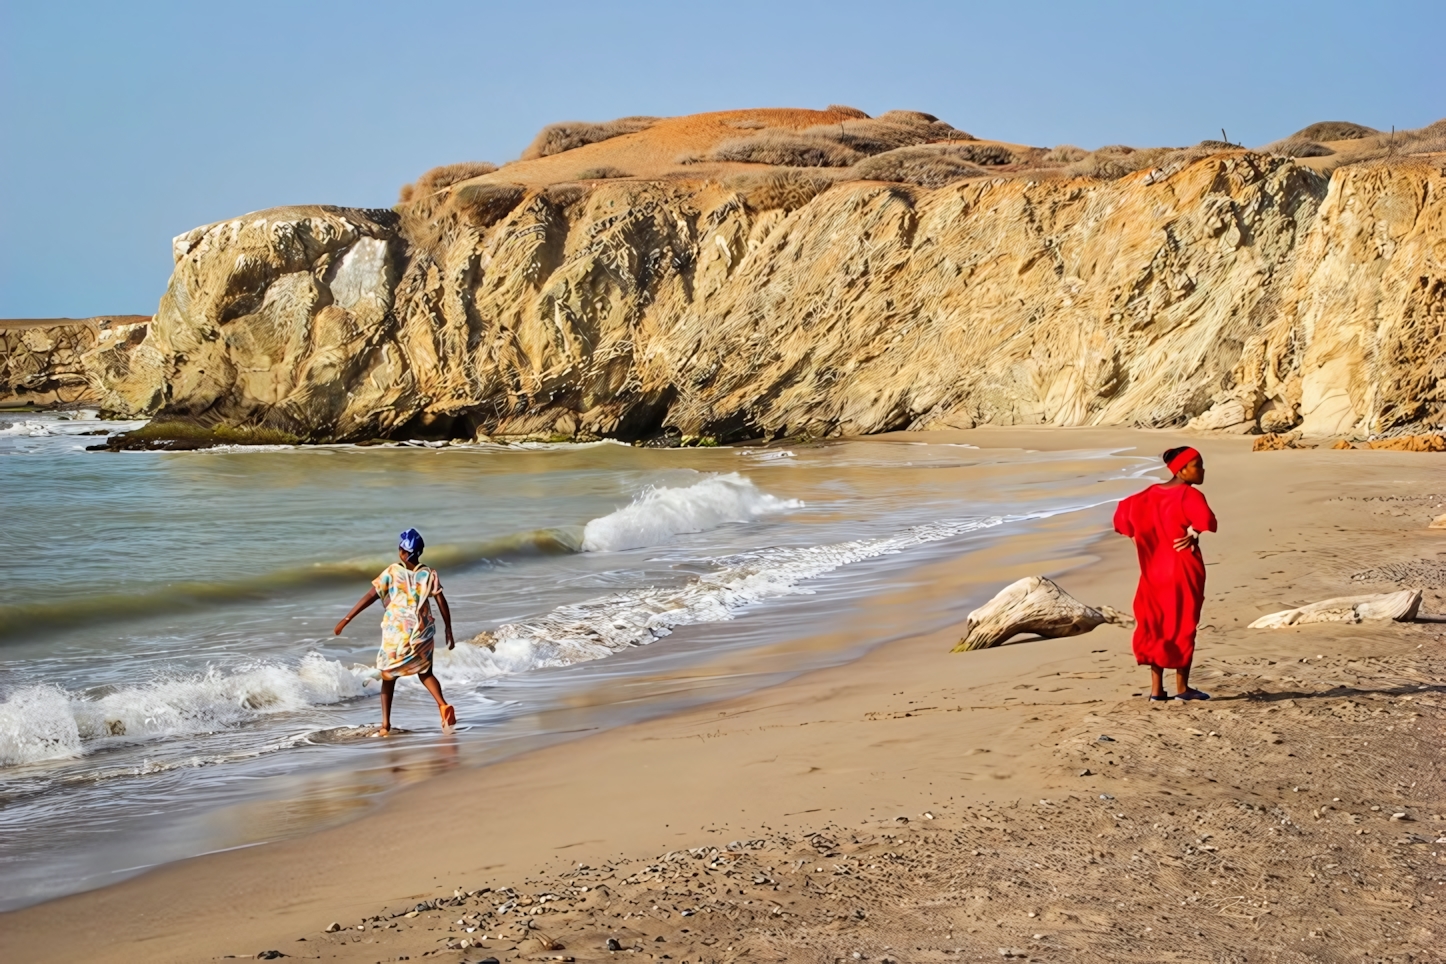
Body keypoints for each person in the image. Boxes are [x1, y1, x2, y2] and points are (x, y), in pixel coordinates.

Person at [1113, 447, 1217, 701]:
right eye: (1197, 465)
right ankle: (1183, 688)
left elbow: (1121, 522)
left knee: (1156, 625)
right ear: (1180, 470)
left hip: (1152, 574)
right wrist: (1194, 532)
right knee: (1182, 625)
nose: (1202, 470)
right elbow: (1208, 521)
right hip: (1182, 570)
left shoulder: (1141, 497)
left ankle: (1156, 690)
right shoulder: (1189, 496)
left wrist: (1142, 540)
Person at [335, 528, 456, 735]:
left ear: (403, 552)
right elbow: (441, 601)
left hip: (397, 632)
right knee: (425, 672)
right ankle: (443, 705)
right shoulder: (429, 574)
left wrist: (346, 618)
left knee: (388, 677)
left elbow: (371, 595)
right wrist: (449, 630)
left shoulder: (392, 571)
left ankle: (385, 725)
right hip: (422, 630)